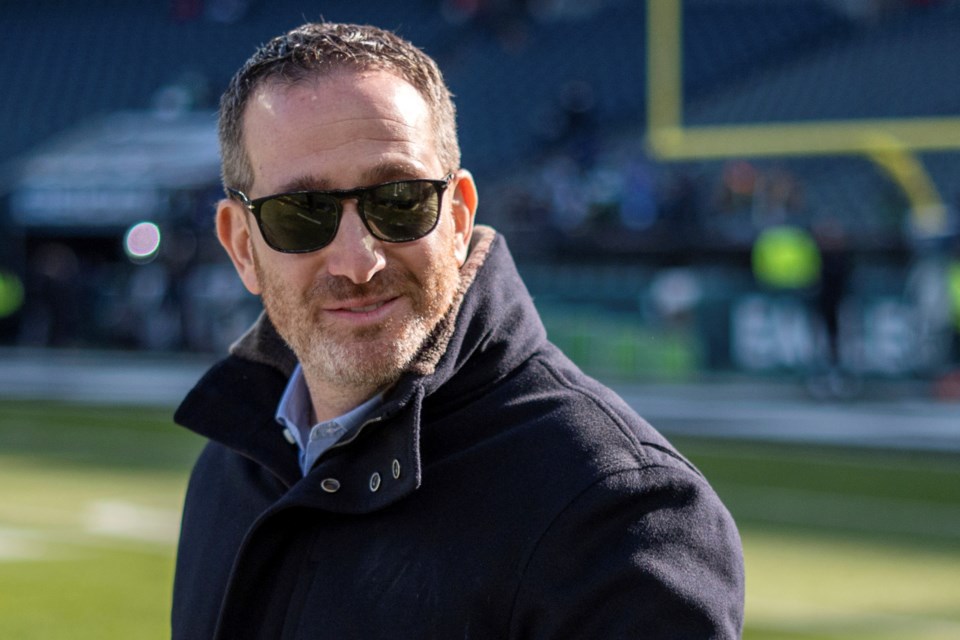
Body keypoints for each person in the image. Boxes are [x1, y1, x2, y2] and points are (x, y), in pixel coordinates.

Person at [172, 22, 744, 639]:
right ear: (240, 246)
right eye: (300, 214)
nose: (358, 261)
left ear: (459, 216)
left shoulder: (620, 512)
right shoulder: (232, 466)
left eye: (398, 200)